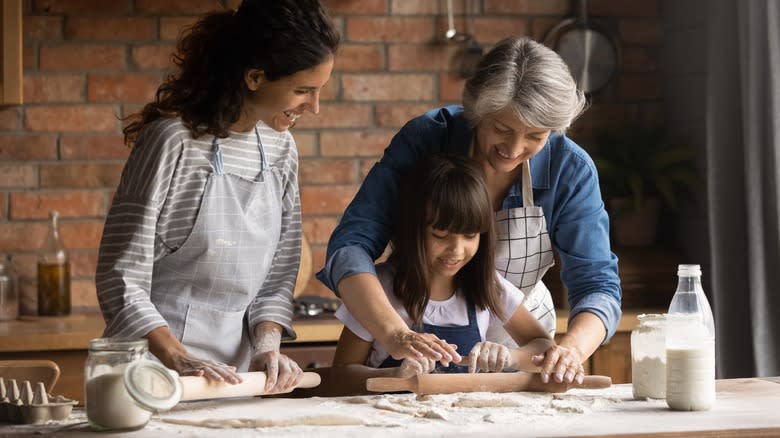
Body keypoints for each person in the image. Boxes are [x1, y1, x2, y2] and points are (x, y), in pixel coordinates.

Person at [317, 36, 621, 385]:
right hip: (407, 333)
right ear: (477, 109)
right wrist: (395, 334)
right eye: (501, 129)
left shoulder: (570, 169)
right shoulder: (427, 139)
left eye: (535, 137)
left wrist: (568, 351)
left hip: (523, 350)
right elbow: (351, 246)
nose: (513, 149)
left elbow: (597, 283)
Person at [95, 0, 340, 392]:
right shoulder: (172, 142)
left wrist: (267, 348)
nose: (314, 107)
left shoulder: (281, 150)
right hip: (155, 374)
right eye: (302, 91)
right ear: (256, 76)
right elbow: (121, 277)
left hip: (237, 379)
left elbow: (278, 276)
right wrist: (178, 359)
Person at [329, 154, 556, 394]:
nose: (457, 250)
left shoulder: (488, 286)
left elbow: (543, 346)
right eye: (440, 235)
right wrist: (395, 376)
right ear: (413, 230)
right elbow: (340, 375)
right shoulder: (376, 289)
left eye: (470, 236)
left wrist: (510, 356)